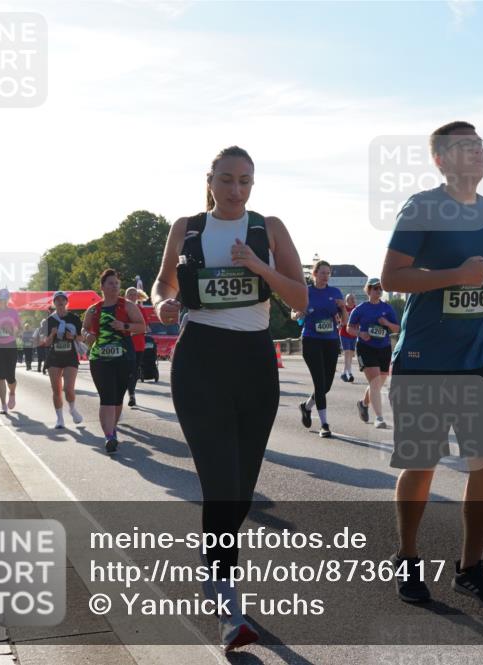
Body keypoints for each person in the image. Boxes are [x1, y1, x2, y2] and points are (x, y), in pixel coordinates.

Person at [151, 145, 306, 652]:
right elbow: (161, 284)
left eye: (245, 181)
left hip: (254, 362)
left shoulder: (270, 227)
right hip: (199, 361)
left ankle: (212, 571)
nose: (236, 190)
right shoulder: (187, 226)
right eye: (227, 179)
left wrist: (259, 265)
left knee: (239, 490)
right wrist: (164, 302)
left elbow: (300, 299)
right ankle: (226, 598)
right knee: (220, 483)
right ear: (210, 180)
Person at [381, 121, 483, 609]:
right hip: (424, 358)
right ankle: (407, 557)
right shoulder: (422, 207)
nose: (477, 154)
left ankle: (470, 568)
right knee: (421, 465)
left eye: (480, 145)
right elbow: (391, 276)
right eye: (463, 148)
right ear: (440, 159)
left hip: (477, 358)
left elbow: (480, 285)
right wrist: (455, 276)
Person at [83, 269, 146, 453]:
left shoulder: (127, 306)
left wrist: (123, 326)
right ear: (102, 287)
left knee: (118, 398)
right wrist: (87, 335)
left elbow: (142, 327)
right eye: (110, 283)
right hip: (100, 360)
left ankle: (112, 428)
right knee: (107, 397)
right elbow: (84, 329)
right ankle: (109, 436)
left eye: (117, 283)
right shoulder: (94, 309)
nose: (115, 286)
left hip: (124, 358)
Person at [295, 260, 346, 437]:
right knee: (319, 382)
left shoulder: (335, 292)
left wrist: (342, 308)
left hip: (331, 340)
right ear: (315, 274)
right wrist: (300, 313)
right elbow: (294, 314)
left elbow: (343, 321)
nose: (325, 276)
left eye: (328, 273)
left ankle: (306, 407)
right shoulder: (306, 291)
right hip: (311, 340)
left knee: (327, 385)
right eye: (322, 272)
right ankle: (324, 424)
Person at [348, 278, 399, 429]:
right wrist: (360, 334)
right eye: (375, 288)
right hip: (366, 348)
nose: (378, 291)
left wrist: (387, 324)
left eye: (380, 288)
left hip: (383, 348)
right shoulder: (361, 309)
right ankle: (379, 417)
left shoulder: (387, 308)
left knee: (378, 383)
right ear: (368, 290)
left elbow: (397, 329)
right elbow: (349, 329)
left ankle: (363, 404)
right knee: (375, 382)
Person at [44, 291, 84, 429]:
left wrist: (72, 337)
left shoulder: (74, 318)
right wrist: (52, 334)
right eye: (57, 300)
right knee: (56, 390)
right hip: (54, 357)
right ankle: (60, 418)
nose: (60, 302)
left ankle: (72, 409)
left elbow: (81, 338)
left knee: (68, 389)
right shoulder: (49, 320)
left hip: (70, 357)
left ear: (67, 302)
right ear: (54, 303)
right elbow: (46, 343)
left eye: (63, 300)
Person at [0, 289, 21, 414]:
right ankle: (3, 405)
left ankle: (12, 393)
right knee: (0, 376)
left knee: (10, 377)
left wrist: (12, 330)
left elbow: (20, 329)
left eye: (5, 298)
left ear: (8, 299)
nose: (3, 301)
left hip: (10, 346)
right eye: (1, 298)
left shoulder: (13, 312)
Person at [124, 286, 149, 408]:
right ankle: (127, 393)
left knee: (133, 371)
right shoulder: (122, 310)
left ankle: (131, 394)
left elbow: (145, 327)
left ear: (137, 297)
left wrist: (136, 330)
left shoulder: (140, 309)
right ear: (126, 296)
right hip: (125, 345)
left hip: (138, 345)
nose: (132, 296)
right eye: (130, 294)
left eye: (134, 294)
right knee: (126, 371)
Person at [338, 293, 358, 383]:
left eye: (354, 298)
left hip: (353, 334)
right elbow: (339, 319)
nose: (353, 300)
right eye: (351, 298)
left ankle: (345, 372)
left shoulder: (357, 309)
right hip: (344, 333)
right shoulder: (343, 308)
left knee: (351, 353)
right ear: (347, 300)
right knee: (347, 352)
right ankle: (349, 372)